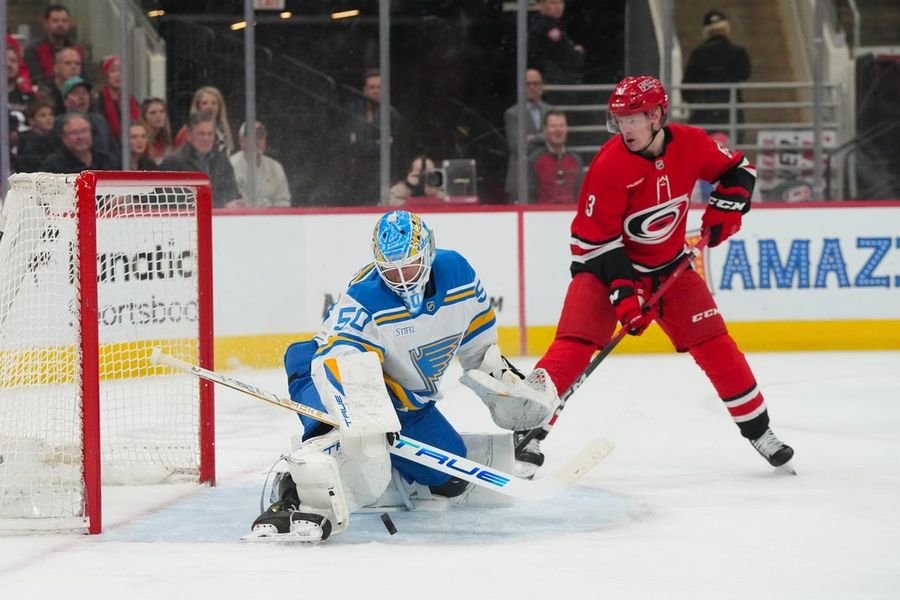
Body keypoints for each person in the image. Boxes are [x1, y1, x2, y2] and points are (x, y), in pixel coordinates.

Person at [512, 75, 794, 478]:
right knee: (575, 345)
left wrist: (726, 209)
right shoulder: (609, 165)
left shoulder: (692, 143)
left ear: (658, 114)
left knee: (715, 344)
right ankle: (528, 430)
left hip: (671, 268)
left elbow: (738, 169)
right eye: (619, 120)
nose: (625, 128)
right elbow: (596, 242)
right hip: (601, 267)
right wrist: (624, 297)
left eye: (633, 119)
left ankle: (760, 432)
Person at [247, 210, 557, 543]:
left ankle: (386, 471)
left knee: (449, 481)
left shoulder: (459, 274)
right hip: (332, 375)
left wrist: (506, 388)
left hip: (409, 402)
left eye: (409, 266)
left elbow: (479, 350)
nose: (402, 279)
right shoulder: (365, 297)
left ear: (428, 253)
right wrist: (369, 418)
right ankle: (298, 486)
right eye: (391, 272)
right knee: (359, 450)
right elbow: (339, 362)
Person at [682, 9, 752, 132]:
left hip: (704, 112)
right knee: (731, 147)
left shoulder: (698, 54)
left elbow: (687, 86)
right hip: (731, 111)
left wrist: (694, 100)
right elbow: (745, 74)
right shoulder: (738, 52)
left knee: (702, 147)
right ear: (726, 29)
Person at [160, 111, 242, 208]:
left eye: (210, 134)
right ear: (189, 135)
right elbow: (173, 201)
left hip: (221, 220)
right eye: (201, 134)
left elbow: (232, 192)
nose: (206, 138)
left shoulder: (222, 160)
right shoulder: (173, 162)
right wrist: (221, 205)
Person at [504, 68, 552, 201]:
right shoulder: (512, 113)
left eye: (536, 83)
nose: (532, 87)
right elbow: (517, 146)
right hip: (521, 180)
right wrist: (544, 137)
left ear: (542, 86)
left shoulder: (551, 110)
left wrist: (532, 138)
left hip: (546, 178)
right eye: (528, 83)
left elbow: (555, 141)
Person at [229, 120, 291, 207]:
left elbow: (284, 204)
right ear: (241, 141)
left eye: (260, 137)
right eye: (251, 137)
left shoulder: (276, 168)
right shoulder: (229, 166)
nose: (256, 141)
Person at [344, 68, 383, 205]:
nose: (376, 91)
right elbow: (350, 145)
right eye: (372, 87)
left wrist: (363, 145)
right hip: (357, 176)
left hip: (381, 175)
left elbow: (392, 149)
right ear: (365, 89)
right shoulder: (353, 112)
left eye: (379, 87)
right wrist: (377, 145)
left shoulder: (391, 115)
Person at [527, 109, 583, 204]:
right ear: (545, 130)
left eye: (561, 126)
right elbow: (530, 196)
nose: (558, 130)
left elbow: (580, 194)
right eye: (553, 126)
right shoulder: (534, 160)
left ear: (566, 129)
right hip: (541, 216)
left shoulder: (576, 160)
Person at [23, 4, 84, 85]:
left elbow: (84, 77)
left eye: (64, 21)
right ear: (46, 23)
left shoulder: (77, 49)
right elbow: (35, 80)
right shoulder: (33, 49)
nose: (60, 24)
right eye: (55, 21)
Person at [53, 76, 115, 156]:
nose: (81, 97)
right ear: (65, 101)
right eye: (76, 94)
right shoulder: (58, 124)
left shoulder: (100, 121)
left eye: (85, 93)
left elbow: (112, 149)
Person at [528, 0, 584, 85]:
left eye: (560, 2)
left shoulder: (554, 25)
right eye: (553, 2)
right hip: (553, 81)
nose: (558, 6)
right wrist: (577, 53)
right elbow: (564, 55)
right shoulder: (547, 27)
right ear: (542, 6)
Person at [42, 112, 119, 173]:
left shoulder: (107, 161)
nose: (80, 137)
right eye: (74, 132)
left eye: (84, 131)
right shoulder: (53, 165)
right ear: (64, 137)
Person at [173, 86, 234, 155]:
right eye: (204, 103)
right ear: (197, 106)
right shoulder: (186, 132)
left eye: (214, 103)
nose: (210, 107)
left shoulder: (223, 129)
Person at [95, 56, 140, 143]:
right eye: (113, 71)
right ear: (106, 75)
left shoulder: (131, 100)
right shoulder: (99, 100)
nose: (118, 75)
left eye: (121, 71)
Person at [35, 46, 82, 115]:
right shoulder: (46, 91)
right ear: (56, 68)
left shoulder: (85, 90)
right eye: (68, 63)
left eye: (77, 64)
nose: (73, 67)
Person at [17, 98, 57, 172]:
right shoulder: (25, 140)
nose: (49, 118)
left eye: (50, 114)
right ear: (32, 121)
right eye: (43, 115)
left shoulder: (58, 138)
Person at [140, 97, 175, 164]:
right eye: (153, 113)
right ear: (144, 117)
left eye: (162, 111)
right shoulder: (143, 141)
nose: (158, 115)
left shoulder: (163, 140)